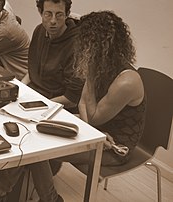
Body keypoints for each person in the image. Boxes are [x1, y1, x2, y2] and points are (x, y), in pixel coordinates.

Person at [50, 10, 146, 175]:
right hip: (97, 131)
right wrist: (92, 129)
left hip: (114, 147)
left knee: (47, 149)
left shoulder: (127, 81)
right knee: (36, 135)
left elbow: (93, 117)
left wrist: (91, 75)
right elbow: (82, 103)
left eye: (83, 42)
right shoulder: (102, 64)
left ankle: (47, 196)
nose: (79, 47)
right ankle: (41, 193)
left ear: (96, 46)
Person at [21, 0, 84, 109]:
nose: (53, 21)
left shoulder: (77, 44)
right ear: (40, 12)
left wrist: (36, 107)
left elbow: (72, 99)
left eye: (59, 15)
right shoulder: (39, 30)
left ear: (67, 14)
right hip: (33, 96)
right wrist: (20, 88)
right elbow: (32, 72)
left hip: (56, 105)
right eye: (48, 14)